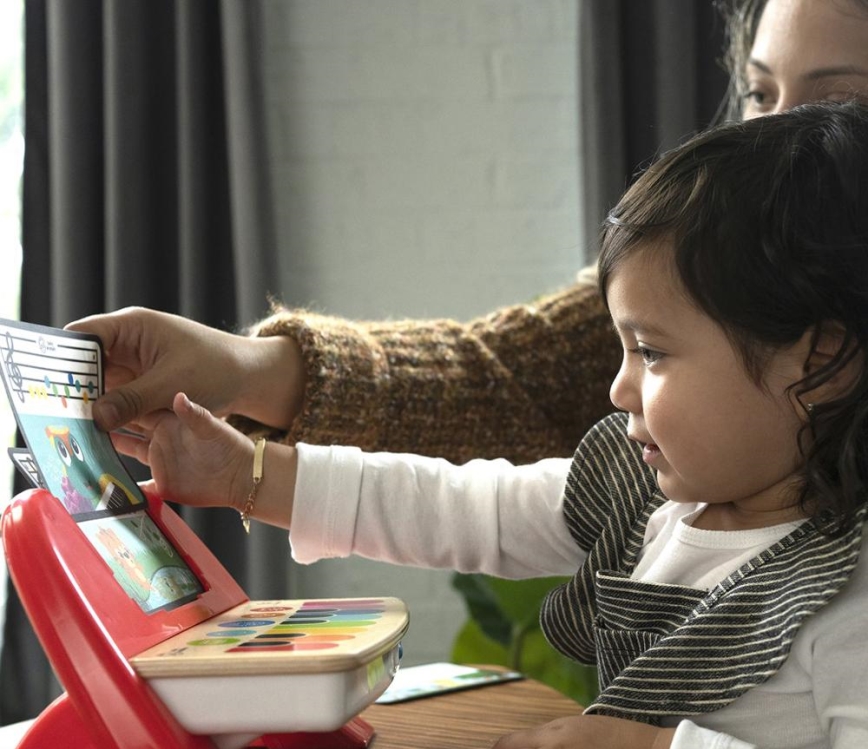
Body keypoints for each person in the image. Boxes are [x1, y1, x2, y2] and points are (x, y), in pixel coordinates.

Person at [116, 101, 868, 749]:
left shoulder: (850, 592)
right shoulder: (640, 494)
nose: (619, 388)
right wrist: (249, 474)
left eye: (653, 353)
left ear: (818, 364)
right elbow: (464, 509)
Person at [66, 0, 868, 466]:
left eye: (835, 104)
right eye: (759, 95)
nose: (772, 137)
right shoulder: (699, 284)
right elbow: (502, 379)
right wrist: (242, 369)